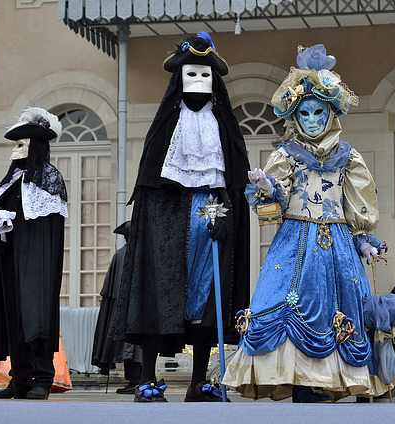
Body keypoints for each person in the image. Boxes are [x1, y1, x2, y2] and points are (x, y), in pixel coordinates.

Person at [222, 44, 387, 402]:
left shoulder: (349, 156)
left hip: (338, 245)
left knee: (338, 306)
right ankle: (294, 379)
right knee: (284, 301)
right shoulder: (285, 154)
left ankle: (327, 382)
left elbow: (356, 204)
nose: (312, 120)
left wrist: (365, 240)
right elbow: (271, 210)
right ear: (294, 118)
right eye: (305, 114)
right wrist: (267, 188)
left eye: (319, 113)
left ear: (332, 115)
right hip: (294, 241)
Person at [110, 31, 251, 403]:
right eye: (191, 74)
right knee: (161, 293)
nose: (198, 81)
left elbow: (226, 182)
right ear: (179, 78)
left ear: (215, 81)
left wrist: (224, 216)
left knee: (207, 304)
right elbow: (151, 184)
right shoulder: (166, 126)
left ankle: (198, 381)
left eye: (206, 75)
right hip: (168, 218)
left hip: (206, 215)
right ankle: (147, 378)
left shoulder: (222, 125)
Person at [0, 107, 67, 400]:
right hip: (8, 260)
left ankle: (42, 378)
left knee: (35, 318)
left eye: (21, 143)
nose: (16, 149)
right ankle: (20, 378)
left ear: (35, 145)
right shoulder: (11, 180)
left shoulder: (49, 177)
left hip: (35, 263)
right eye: (15, 143)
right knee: (12, 317)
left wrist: (16, 224)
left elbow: (46, 223)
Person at [91, 221, 142, 394]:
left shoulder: (122, 254)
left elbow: (109, 291)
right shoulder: (128, 255)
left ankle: (136, 380)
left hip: (128, 309)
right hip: (135, 309)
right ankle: (137, 379)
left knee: (131, 346)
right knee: (133, 347)